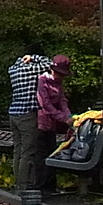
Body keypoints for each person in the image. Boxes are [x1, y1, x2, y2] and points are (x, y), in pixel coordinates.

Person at [7, 48, 55, 195]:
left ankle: (18, 182)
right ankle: (25, 185)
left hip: (14, 113)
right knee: (28, 152)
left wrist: (26, 58)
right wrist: (34, 57)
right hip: (28, 114)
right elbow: (51, 63)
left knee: (18, 151)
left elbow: (17, 64)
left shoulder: (13, 69)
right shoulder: (34, 69)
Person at [37, 54, 74, 183]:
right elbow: (45, 104)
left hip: (53, 123)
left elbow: (62, 100)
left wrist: (69, 116)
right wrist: (63, 118)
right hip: (42, 121)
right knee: (42, 154)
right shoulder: (42, 80)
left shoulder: (59, 83)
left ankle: (51, 184)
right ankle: (41, 185)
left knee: (53, 152)